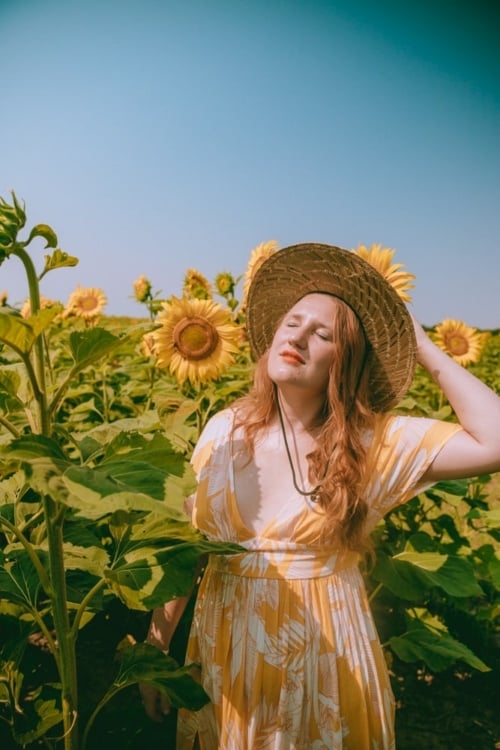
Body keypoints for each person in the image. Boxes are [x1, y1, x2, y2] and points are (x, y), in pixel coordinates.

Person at [140, 243, 500, 750]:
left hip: (327, 666)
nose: (300, 336)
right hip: (226, 661)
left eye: (323, 333)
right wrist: (156, 650)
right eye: (293, 322)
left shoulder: (371, 444)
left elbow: (496, 438)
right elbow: (183, 550)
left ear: (345, 360)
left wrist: (417, 342)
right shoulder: (223, 430)